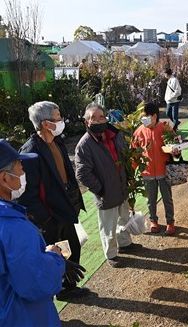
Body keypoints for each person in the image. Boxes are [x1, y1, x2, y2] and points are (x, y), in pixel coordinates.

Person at [17, 101, 88, 300]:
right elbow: (27, 195)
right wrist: (46, 219)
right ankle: (60, 289)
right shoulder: (30, 153)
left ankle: (68, 285)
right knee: (57, 252)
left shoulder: (57, 142)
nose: (61, 121)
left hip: (64, 208)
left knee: (72, 247)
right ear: (46, 123)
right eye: (57, 117)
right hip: (51, 215)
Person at [0, 139, 65, 326]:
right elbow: (35, 282)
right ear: (5, 178)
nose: (24, 173)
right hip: (23, 316)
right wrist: (54, 258)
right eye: (20, 168)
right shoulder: (12, 227)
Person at [75, 103, 139, 268]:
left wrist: (129, 177)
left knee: (123, 219)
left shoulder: (115, 135)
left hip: (122, 187)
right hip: (106, 193)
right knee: (108, 227)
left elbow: (125, 157)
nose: (97, 121)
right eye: (92, 118)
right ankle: (111, 254)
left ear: (106, 118)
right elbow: (82, 173)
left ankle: (125, 244)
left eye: (101, 117)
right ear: (86, 122)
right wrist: (100, 189)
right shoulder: (84, 145)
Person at [132, 102, 179, 236]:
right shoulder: (139, 132)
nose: (143, 119)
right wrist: (131, 173)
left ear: (154, 116)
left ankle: (170, 222)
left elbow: (176, 147)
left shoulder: (165, 129)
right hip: (147, 173)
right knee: (150, 199)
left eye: (146, 116)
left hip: (163, 171)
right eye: (142, 116)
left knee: (167, 198)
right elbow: (134, 155)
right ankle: (154, 221)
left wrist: (176, 152)